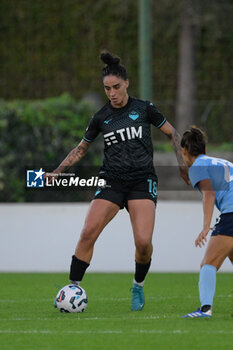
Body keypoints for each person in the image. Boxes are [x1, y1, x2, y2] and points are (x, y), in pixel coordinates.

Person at [46, 51, 189, 311]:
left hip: (141, 181)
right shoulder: (101, 117)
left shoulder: (144, 109)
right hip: (111, 180)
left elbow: (173, 133)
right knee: (88, 232)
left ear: (126, 84)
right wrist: (56, 172)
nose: (111, 93)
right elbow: (81, 149)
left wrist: (182, 164)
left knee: (143, 243)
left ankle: (138, 285)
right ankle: (73, 288)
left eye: (116, 87)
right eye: (106, 88)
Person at [181, 127, 233, 318]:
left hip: (231, 214)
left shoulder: (197, 167)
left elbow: (209, 193)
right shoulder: (222, 162)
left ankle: (205, 309)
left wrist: (205, 226)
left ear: (185, 150)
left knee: (208, 263)